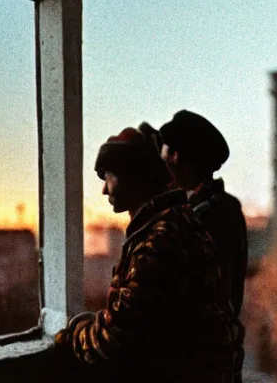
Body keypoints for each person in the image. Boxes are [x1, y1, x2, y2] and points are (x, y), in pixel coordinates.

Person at [54, 123, 237, 382]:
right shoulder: (180, 222)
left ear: (130, 176)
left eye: (107, 176)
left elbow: (118, 334)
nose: (104, 189)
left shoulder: (157, 241)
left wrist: (74, 337)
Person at [159, 110, 248, 383]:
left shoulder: (207, 216)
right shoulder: (222, 207)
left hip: (202, 365)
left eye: (165, 154)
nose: (161, 162)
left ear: (177, 159)